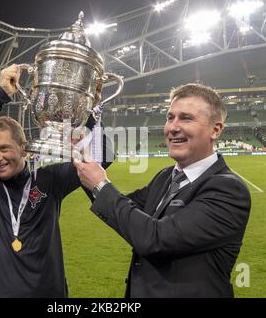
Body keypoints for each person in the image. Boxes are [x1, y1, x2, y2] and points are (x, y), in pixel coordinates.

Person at [0, 64, 111, 298]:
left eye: (4, 148)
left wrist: (90, 111)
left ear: (23, 148)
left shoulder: (50, 180)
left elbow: (104, 157)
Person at [74, 83, 251, 298]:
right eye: (170, 117)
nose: (172, 127)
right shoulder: (166, 176)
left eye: (186, 118)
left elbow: (156, 239)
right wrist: (86, 132)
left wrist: (101, 185)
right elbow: (123, 210)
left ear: (216, 129)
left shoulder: (228, 190)